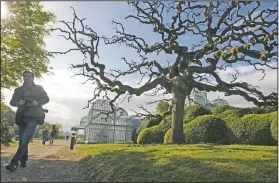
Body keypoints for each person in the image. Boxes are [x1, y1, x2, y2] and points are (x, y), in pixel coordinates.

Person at [6, 71, 49, 172]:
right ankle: (24, 160)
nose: (27, 78)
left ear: (33, 78)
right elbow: (12, 102)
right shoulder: (18, 90)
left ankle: (14, 163)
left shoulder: (39, 88)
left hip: (34, 118)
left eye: (29, 76)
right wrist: (19, 103)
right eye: (25, 76)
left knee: (24, 139)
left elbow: (46, 98)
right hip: (21, 118)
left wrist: (37, 102)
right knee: (22, 140)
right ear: (23, 78)